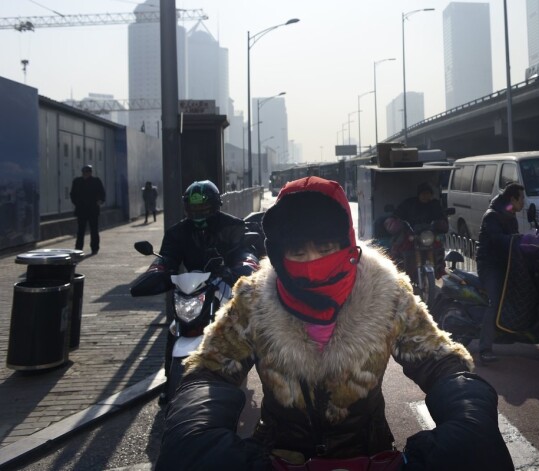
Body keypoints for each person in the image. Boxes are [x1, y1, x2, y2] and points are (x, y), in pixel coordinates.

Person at [155, 176, 514, 470]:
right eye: (298, 253)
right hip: (279, 458)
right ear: (279, 255)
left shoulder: (387, 293)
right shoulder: (253, 300)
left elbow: (440, 361)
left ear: (347, 245)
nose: (311, 263)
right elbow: (211, 371)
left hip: (371, 458)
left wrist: (469, 413)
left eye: (325, 249)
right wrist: (197, 431)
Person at [130, 180, 259, 404]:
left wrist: (243, 265)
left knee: (245, 323)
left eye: (204, 208)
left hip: (225, 282)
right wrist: (158, 271)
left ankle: (257, 370)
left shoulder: (233, 225)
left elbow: (245, 251)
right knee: (175, 327)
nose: (198, 212)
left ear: (215, 205)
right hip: (192, 286)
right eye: (194, 208)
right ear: (187, 208)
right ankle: (170, 379)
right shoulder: (177, 232)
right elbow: (167, 257)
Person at [475, 182, 525, 363]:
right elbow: (498, 239)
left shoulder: (510, 214)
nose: (524, 202)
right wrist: (518, 239)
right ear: (513, 199)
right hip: (490, 264)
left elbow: (513, 239)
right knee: (494, 302)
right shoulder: (492, 216)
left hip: (506, 262)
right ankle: (485, 348)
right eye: (522, 198)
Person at [384, 182, 449, 277]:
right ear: (419, 194)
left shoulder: (435, 205)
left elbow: (441, 217)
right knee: (399, 243)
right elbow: (397, 214)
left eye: (428, 193)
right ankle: (395, 269)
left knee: (439, 245)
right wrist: (397, 221)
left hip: (428, 235)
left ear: (431, 194)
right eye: (423, 193)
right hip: (411, 233)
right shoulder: (409, 203)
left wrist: (441, 223)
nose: (425, 196)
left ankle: (439, 269)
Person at [70, 164, 105, 255]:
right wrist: (76, 203)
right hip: (81, 210)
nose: (85, 174)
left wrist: (100, 201)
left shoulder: (96, 181)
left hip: (93, 209)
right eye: (84, 172)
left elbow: (102, 193)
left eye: (87, 172)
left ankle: (94, 248)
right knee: (80, 231)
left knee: (94, 230)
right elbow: (72, 194)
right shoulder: (77, 181)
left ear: (90, 173)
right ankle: (78, 248)